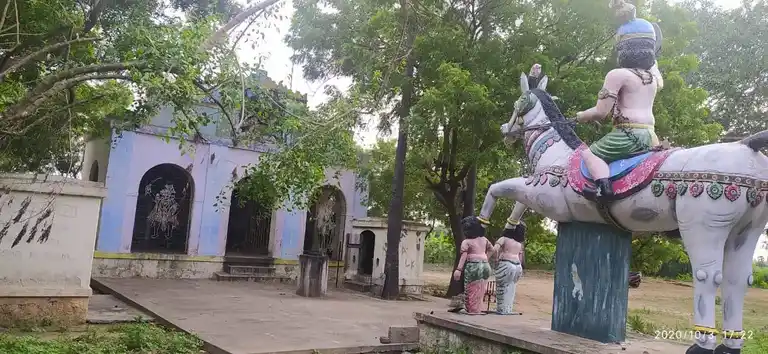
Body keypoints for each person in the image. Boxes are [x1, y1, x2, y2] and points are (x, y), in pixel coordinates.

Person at [575, 0, 663, 201]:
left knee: (588, 155)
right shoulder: (652, 78)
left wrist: (580, 116)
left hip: (628, 135)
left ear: (623, 48)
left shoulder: (618, 74)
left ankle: (602, 190)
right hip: (651, 135)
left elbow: (600, 112)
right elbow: (656, 70)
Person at [453, 216, 493, 314]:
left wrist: (458, 269)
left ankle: (471, 310)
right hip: (485, 266)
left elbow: (464, 256)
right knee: (481, 288)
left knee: (470, 289)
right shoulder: (484, 240)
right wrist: (485, 258)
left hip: (473, 266)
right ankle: (478, 309)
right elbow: (492, 249)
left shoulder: (467, 242)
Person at [493, 221, 526, 315]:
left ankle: (501, 310)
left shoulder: (504, 239)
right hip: (517, 266)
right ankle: (508, 309)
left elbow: (495, 249)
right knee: (512, 288)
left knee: (502, 288)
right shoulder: (519, 244)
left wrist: (496, 259)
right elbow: (520, 258)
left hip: (506, 264)